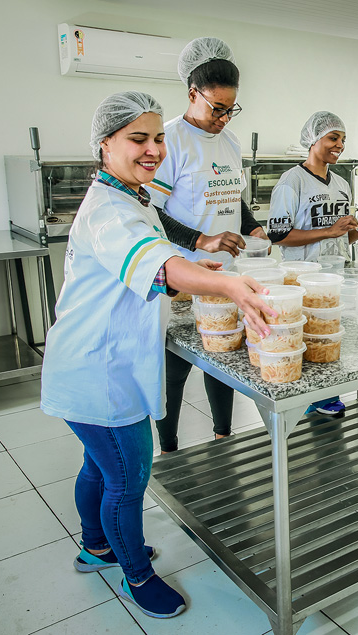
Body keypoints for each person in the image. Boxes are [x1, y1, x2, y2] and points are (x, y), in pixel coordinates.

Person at [40, 91, 275, 618]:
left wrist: (201, 262)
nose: (154, 149)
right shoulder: (107, 212)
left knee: (99, 468)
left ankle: (96, 547)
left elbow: (161, 250)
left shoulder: (131, 196)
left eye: (159, 138)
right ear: (105, 144)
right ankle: (137, 577)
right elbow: (160, 266)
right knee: (126, 478)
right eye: (138, 139)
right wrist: (232, 289)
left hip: (90, 360)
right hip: (98, 370)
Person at [147, 37, 264, 453]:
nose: (224, 118)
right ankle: (169, 446)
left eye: (231, 108)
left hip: (225, 277)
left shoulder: (229, 142)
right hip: (182, 276)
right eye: (217, 108)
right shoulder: (170, 141)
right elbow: (151, 209)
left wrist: (254, 229)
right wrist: (201, 239)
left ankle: (222, 437)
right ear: (192, 94)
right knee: (175, 367)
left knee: (223, 357)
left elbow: (234, 197)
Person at [268, 111, 358, 416]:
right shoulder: (291, 182)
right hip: (304, 279)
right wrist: (329, 230)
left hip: (337, 277)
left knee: (329, 337)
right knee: (308, 337)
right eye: (333, 138)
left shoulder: (342, 183)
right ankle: (304, 400)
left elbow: (339, 240)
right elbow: (278, 236)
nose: (340, 145)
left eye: (343, 140)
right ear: (312, 140)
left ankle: (325, 395)